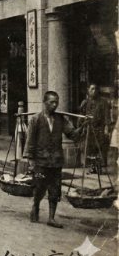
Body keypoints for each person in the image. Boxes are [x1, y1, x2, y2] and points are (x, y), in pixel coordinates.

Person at [24, 91, 85, 228]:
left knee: (55, 189)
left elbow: (72, 134)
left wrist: (83, 126)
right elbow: (30, 141)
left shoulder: (61, 119)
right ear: (45, 102)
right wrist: (31, 160)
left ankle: (51, 218)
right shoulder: (36, 119)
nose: (55, 105)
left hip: (56, 161)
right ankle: (35, 206)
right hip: (41, 161)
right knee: (39, 187)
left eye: (56, 102)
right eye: (52, 102)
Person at [79, 83, 108, 171]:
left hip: (99, 129)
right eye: (92, 89)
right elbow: (81, 116)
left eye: (95, 89)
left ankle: (99, 167)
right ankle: (92, 166)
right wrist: (82, 126)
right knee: (90, 148)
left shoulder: (103, 102)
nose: (94, 91)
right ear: (88, 90)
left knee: (99, 147)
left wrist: (106, 128)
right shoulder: (85, 102)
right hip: (89, 129)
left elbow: (106, 116)